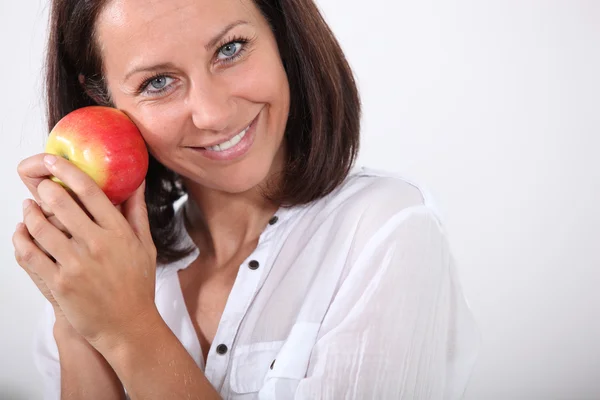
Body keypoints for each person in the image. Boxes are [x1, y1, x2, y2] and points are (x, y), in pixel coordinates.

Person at [12, 0, 480, 398]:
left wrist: (129, 331)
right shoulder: (97, 276)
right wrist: (74, 321)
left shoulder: (386, 231)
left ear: (281, 37)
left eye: (230, 50)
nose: (214, 114)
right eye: (157, 82)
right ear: (103, 101)